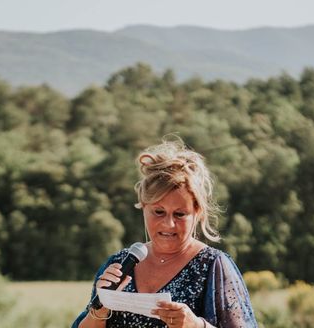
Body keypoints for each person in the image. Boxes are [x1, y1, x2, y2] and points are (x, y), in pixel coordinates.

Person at [72, 139, 258, 328]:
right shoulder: (119, 264)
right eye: (158, 212)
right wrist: (99, 310)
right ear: (143, 206)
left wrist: (195, 325)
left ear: (197, 213)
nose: (169, 224)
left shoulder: (213, 266)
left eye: (179, 214)